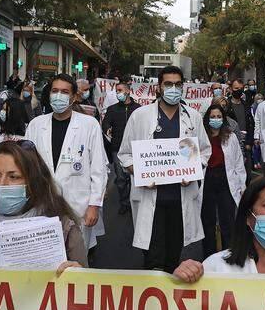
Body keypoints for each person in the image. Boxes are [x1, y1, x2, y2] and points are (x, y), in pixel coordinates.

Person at [117, 66, 211, 273]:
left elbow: (204, 152)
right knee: (153, 258)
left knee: (173, 258)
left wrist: (192, 171)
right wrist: (141, 172)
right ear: (158, 88)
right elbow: (124, 154)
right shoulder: (140, 116)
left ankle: (169, 299)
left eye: (178, 84)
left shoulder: (192, 117)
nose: (173, 89)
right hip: (151, 198)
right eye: (168, 84)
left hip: (180, 198)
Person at [0, 141, 88, 269]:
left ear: (33, 182)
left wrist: (76, 275)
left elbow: (84, 289)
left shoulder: (63, 227)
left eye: (13, 177)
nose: (1, 184)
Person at [25, 73, 108, 250]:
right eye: (55, 91)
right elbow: (26, 166)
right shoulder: (36, 125)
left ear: (73, 96)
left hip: (78, 204)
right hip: (42, 203)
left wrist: (94, 205)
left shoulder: (89, 124)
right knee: (44, 256)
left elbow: (99, 169)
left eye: (64, 92)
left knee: (76, 256)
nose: (59, 96)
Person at [201, 104, 246, 258]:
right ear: (207, 119)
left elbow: (238, 162)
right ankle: (209, 256)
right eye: (212, 117)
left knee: (227, 221)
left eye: (219, 117)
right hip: (207, 181)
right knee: (208, 222)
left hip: (226, 181)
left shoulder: (230, 136)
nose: (216, 120)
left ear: (224, 119)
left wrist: (242, 184)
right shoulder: (201, 137)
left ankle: (229, 254)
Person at [101, 79, 141, 215]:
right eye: (116, 91)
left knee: (135, 177)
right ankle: (124, 203)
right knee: (121, 178)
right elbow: (105, 123)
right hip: (117, 148)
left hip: (135, 148)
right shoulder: (112, 109)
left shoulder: (138, 109)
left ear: (128, 91)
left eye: (120, 90)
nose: (118, 93)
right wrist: (107, 128)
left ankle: (135, 201)